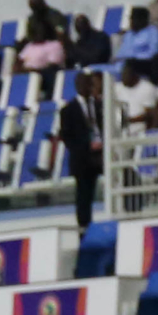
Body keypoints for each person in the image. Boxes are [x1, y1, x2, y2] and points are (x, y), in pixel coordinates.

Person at [59, 68, 107, 230]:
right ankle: (84, 229)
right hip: (83, 158)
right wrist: (88, 146)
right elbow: (67, 137)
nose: (86, 86)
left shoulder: (101, 105)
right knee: (84, 196)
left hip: (103, 153)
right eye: (82, 83)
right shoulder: (68, 110)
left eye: (88, 83)